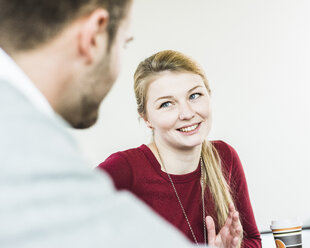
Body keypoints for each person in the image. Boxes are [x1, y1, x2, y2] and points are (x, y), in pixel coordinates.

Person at [0, 1, 239, 247]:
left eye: (195, 96)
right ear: (93, 36)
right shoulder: (26, 150)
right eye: (124, 43)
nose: (187, 113)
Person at [98, 50, 262, 247]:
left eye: (194, 95)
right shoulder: (124, 170)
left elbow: (253, 240)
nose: (186, 113)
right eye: (167, 104)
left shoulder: (225, 157)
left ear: (209, 96)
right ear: (147, 119)